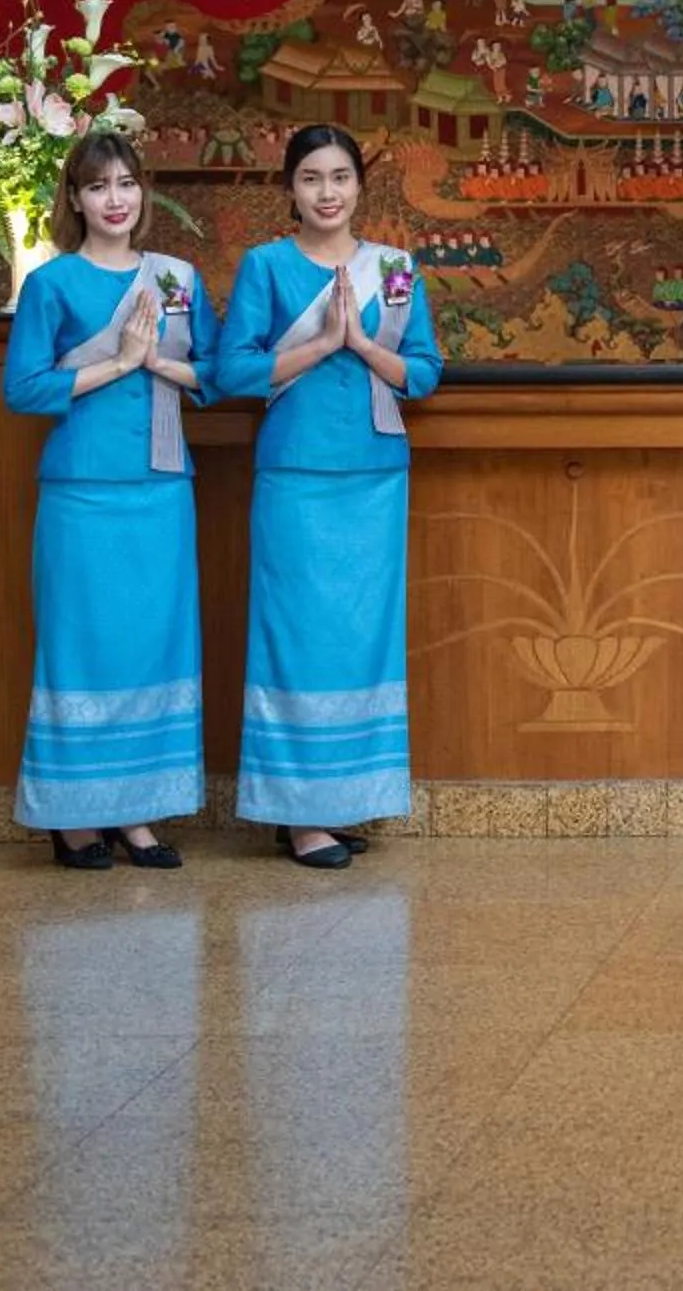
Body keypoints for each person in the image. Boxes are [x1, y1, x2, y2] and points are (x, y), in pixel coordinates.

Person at [210, 124, 441, 868]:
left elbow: (427, 371)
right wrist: (321, 343)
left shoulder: (397, 271)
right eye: (311, 178)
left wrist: (365, 346)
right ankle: (299, 814)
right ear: (290, 190)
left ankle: (339, 805)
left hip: (375, 476)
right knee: (299, 639)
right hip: (297, 477)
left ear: (359, 187)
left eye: (340, 176)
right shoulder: (266, 267)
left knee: (361, 645)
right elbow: (232, 371)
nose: (327, 192)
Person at [0, 129, 213, 870]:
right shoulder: (52, 285)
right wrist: (120, 363)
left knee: (154, 648)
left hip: (161, 488)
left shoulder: (177, 278)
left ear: (143, 191)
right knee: (82, 650)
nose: (115, 199)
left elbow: (216, 376)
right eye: (97, 186)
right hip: (83, 492)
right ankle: (74, 817)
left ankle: (138, 814)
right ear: (74, 199)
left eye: (126, 183)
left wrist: (156, 362)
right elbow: (23, 389)